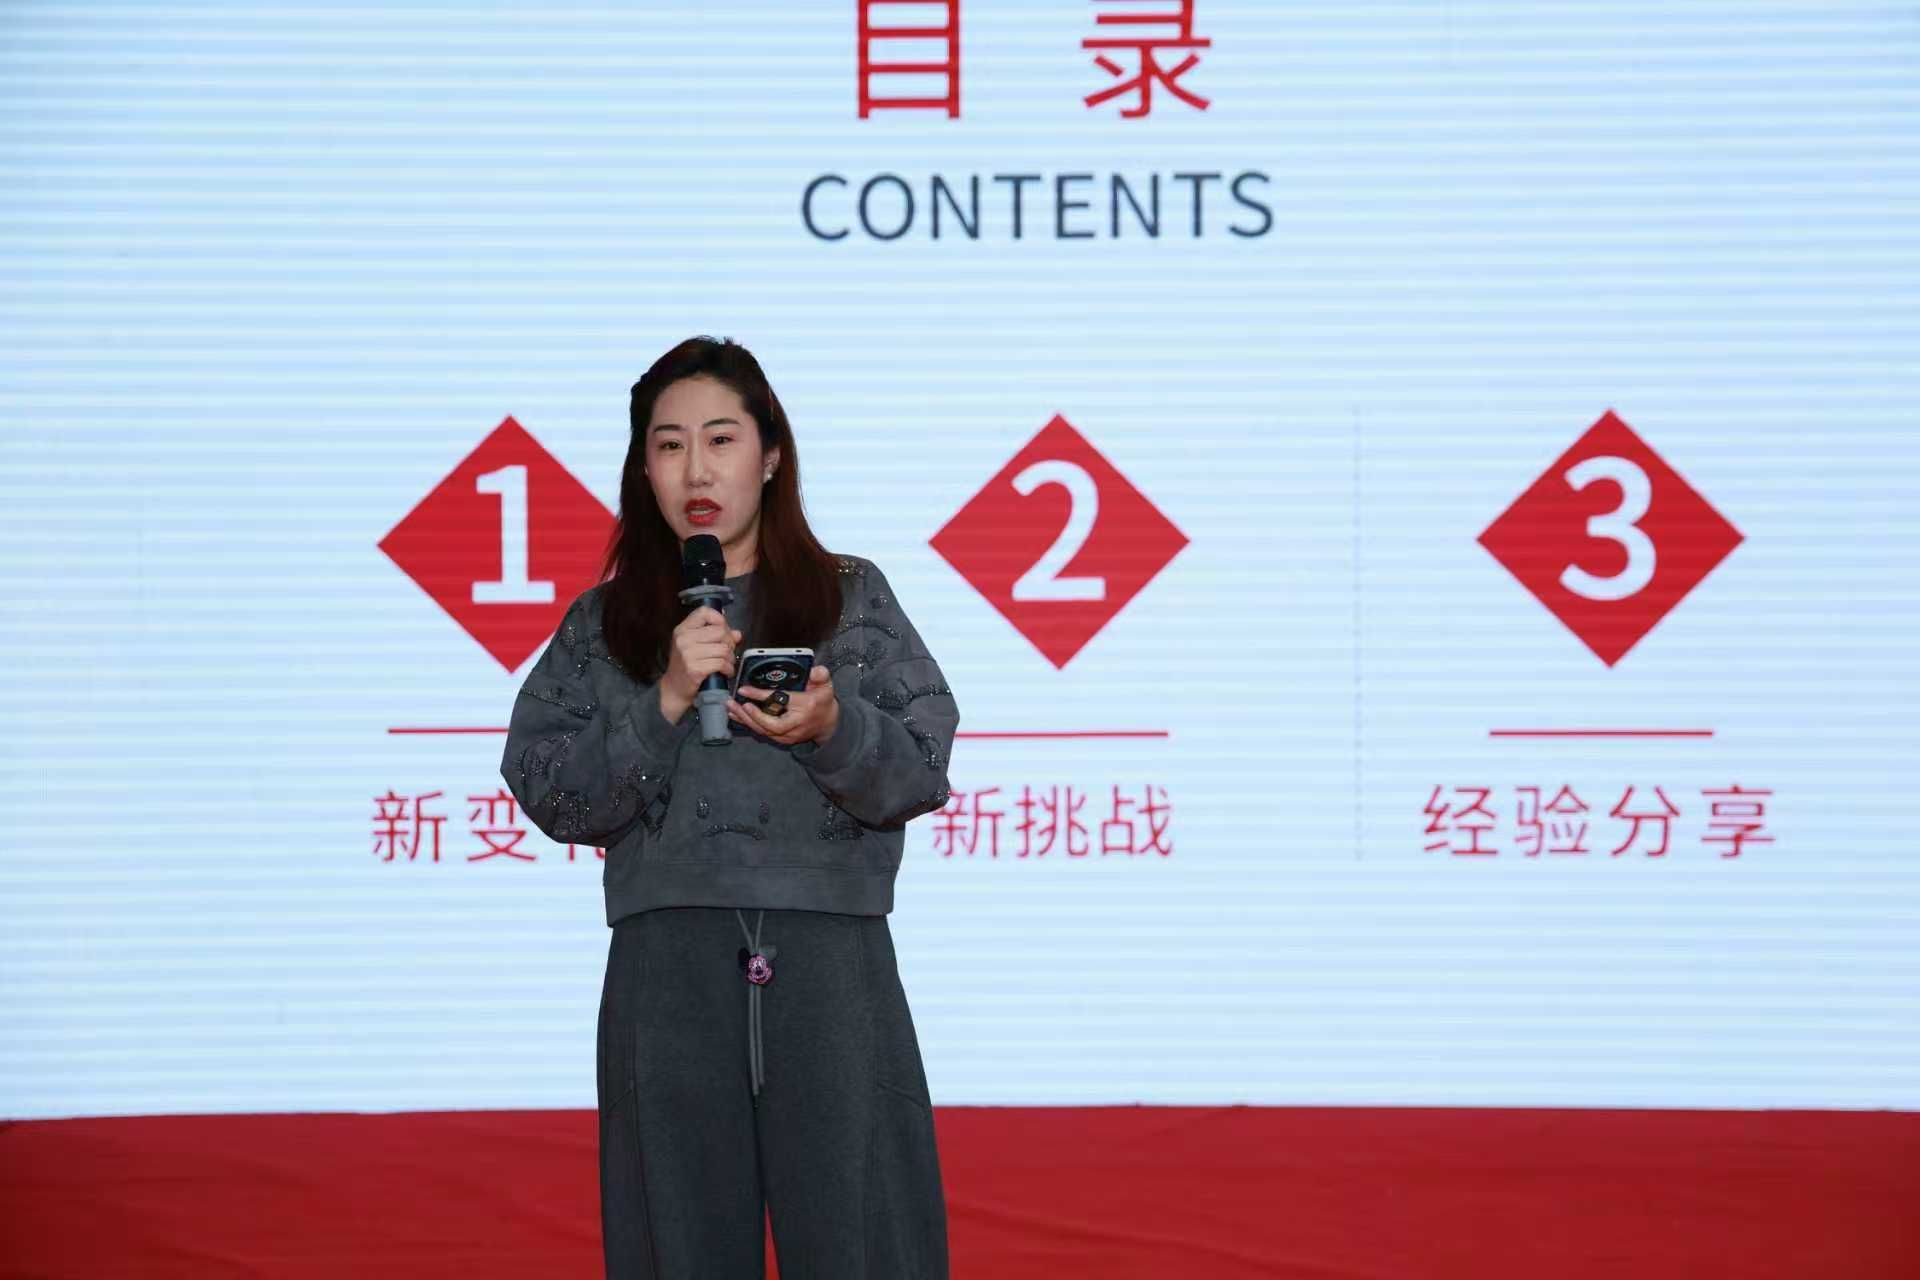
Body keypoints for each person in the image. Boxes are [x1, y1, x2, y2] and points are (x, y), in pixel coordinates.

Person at [499, 335, 959, 1279]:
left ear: (771, 455)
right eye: (668, 445)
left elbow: (921, 767)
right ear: (643, 469)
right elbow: (547, 788)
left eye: (721, 439)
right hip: (666, 967)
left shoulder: (849, 596)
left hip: (831, 961)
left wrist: (832, 729)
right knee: (677, 1239)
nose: (697, 471)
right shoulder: (603, 623)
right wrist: (664, 700)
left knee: (866, 1234)